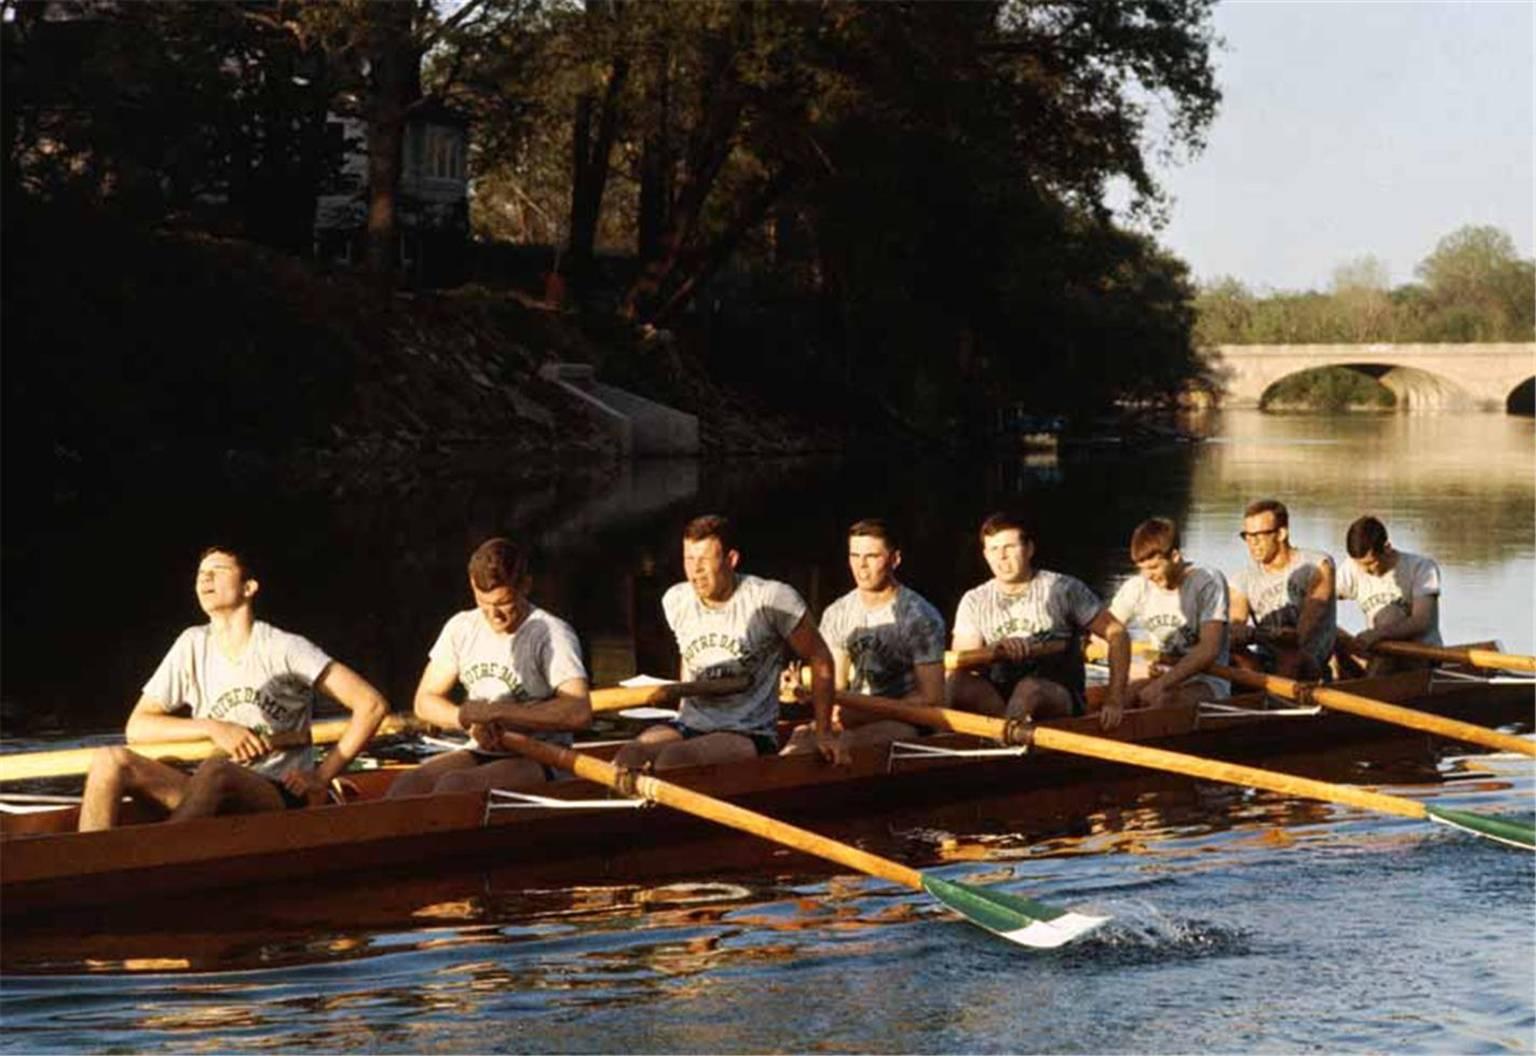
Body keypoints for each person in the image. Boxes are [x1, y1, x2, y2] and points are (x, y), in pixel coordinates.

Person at [78, 546, 389, 832]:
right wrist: (215, 728)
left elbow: (371, 705)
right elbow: (138, 727)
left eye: (218, 570)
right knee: (110, 760)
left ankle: (152, 858)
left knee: (218, 771)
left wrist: (321, 776)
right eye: (201, 574)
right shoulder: (191, 644)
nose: (205, 578)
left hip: (277, 793)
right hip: (207, 791)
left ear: (249, 587)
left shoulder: (285, 648)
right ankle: (88, 867)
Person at [614, 514, 838, 771]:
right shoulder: (676, 600)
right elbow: (688, 658)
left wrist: (824, 732)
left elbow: (820, 656)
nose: (695, 571)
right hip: (689, 725)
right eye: (689, 559)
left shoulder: (772, 600)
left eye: (705, 560)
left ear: (731, 560)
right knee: (628, 755)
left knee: (675, 760)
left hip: (747, 733)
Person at [386, 537, 591, 798]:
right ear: (473, 585)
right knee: (408, 784)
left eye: (504, 604)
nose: (494, 616)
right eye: (485, 605)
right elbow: (425, 701)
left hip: (541, 757)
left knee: (455, 788)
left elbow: (578, 711)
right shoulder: (461, 627)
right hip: (481, 748)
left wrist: (498, 714)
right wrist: (467, 720)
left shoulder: (552, 634)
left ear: (526, 586)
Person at [948, 512, 1130, 728]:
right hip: (998, 697)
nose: (1001, 557)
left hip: (1057, 695)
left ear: (1029, 550)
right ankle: (1003, 735)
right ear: (986, 554)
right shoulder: (974, 600)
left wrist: (1114, 699)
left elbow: (1117, 633)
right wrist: (996, 650)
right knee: (955, 684)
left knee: (1028, 689)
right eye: (994, 550)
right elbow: (962, 662)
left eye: (1009, 547)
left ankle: (1005, 740)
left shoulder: (1064, 589)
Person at [781, 519, 946, 755]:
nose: (861, 566)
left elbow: (932, 698)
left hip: (903, 721)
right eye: (855, 556)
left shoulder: (920, 617)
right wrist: (803, 692)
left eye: (872, 556)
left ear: (894, 560)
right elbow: (835, 684)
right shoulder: (837, 612)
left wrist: (863, 713)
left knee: (848, 742)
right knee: (800, 740)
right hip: (852, 714)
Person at [1108, 517, 1230, 708]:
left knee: (1163, 700)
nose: (1147, 576)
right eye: (1142, 569)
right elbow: (1104, 633)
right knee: (1116, 699)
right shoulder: (1137, 586)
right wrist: (1133, 668)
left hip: (1207, 680)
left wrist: (1161, 685)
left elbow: (1209, 649)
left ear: (1175, 556)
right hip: (1158, 673)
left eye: (1154, 567)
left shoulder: (1207, 582)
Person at [1227, 499, 1337, 679]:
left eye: (1258, 536)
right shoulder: (1241, 579)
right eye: (1247, 536)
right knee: (1229, 650)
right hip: (1264, 661)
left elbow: (1305, 629)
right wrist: (1237, 631)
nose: (1251, 543)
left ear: (1281, 534)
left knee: (1290, 654)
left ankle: (1271, 700)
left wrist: (1285, 637)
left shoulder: (1318, 566)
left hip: (1308, 661)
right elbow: (1235, 622)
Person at [1334, 515, 1442, 675]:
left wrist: (1377, 634)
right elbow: (1319, 601)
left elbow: (1421, 621)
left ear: (1387, 547)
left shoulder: (1422, 568)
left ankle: (1368, 688)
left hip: (1421, 658)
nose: (1364, 571)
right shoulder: (1352, 568)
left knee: (1390, 615)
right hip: (1378, 652)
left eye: (1370, 564)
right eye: (1359, 564)